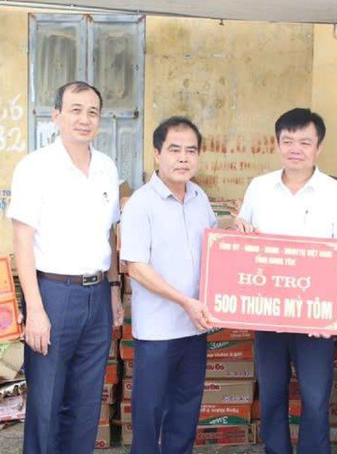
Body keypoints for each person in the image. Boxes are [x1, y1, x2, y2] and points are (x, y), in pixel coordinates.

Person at [234, 108, 337, 454]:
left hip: (315, 319)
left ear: (318, 147)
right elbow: (239, 239)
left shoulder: (335, 193)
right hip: (268, 314)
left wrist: (333, 311)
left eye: (304, 142)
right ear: (277, 144)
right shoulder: (259, 188)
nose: (295, 148)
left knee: (315, 395)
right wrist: (238, 229)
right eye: (287, 141)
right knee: (273, 392)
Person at [8, 81, 123, 454]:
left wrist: (114, 291)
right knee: (46, 402)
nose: (84, 119)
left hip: (97, 296)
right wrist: (35, 311)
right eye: (75, 110)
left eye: (92, 112)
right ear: (55, 115)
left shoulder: (107, 167)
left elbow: (110, 236)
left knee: (87, 402)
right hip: (54, 294)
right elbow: (22, 242)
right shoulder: (35, 167)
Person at [121, 117, 218, 454]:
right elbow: (136, 268)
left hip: (194, 328)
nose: (183, 158)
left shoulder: (199, 197)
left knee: (186, 408)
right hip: (159, 331)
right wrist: (184, 301)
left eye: (191, 150)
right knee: (149, 412)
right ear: (156, 155)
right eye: (174, 149)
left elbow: (216, 250)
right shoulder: (140, 204)